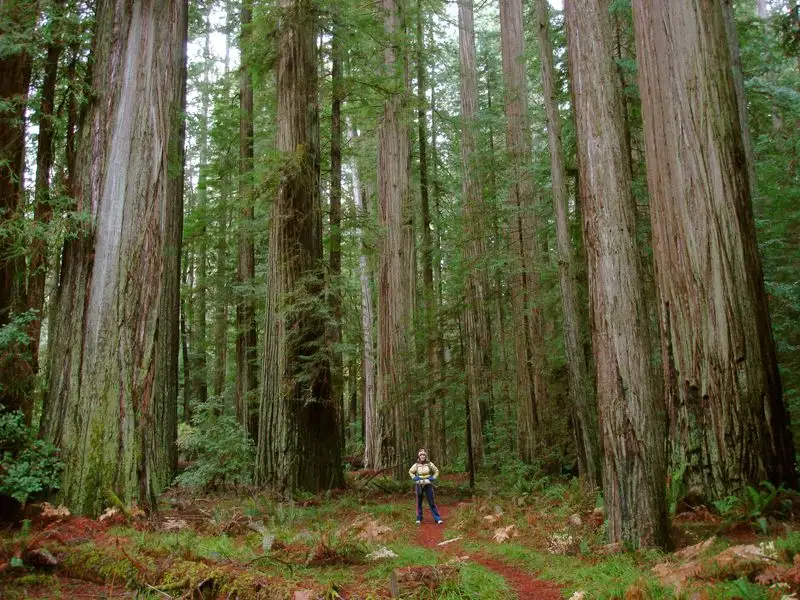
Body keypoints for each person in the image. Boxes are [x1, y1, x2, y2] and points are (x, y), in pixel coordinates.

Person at [409, 448, 442, 525]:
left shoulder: (429, 464)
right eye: (421, 455)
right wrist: (414, 477)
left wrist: (433, 477)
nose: (422, 456)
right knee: (419, 502)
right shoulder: (416, 465)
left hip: (428, 484)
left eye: (424, 455)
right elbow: (410, 471)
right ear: (419, 456)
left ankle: (437, 518)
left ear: (425, 456)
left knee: (431, 501)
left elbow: (436, 471)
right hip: (419, 484)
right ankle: (419, 518)